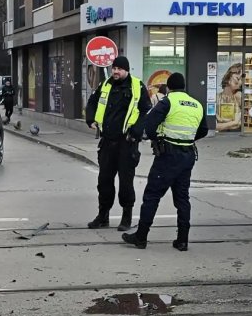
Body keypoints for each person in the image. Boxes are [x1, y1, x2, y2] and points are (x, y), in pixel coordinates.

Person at [122, 72, 208, 250]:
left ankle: (141, 236)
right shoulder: (197, 105)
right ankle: (182, 240)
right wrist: (187, 139)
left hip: (168, 155)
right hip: (188, 155)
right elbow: (204, 130)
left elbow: (149, 125)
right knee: (182, 198)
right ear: (184, 87)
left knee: (152, 195)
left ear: (168, 87)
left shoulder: (167, 102)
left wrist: (157, 139)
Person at [85, 56, 151, 231]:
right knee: (104, 181)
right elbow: (92, 102)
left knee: (126, 183)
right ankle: (103, 216)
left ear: (126, 70)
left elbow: (146, 111)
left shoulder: (137, 86)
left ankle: (126, 217)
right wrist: (90, 119)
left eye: (119, 69)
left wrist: (136, 131)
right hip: (107, 142)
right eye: (114, 68)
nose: (115, 71)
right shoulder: (105, 85)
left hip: (126, 143)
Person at [216, 63, 242, 131]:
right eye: (237, 73)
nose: (239, 78)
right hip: (221, 135)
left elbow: (238, 123)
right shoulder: (217, 98)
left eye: (241, 77)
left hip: (236, 135)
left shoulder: (238, 97)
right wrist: (233, 123)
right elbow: (214, 126)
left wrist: (225, 125)